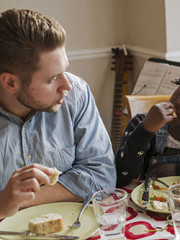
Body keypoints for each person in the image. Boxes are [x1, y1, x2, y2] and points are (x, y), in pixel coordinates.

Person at [0, 9, 116, 218]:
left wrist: (21, 200)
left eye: (65, 70)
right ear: (10, 82)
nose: (67, 85)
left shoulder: (76, 94)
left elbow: (102, 176)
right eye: (52, 79)